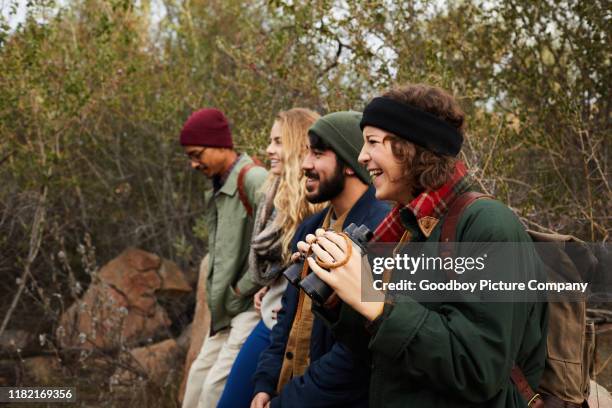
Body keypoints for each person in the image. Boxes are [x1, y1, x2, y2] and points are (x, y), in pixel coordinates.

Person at [301, 84, 548, 407]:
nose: (362, 157)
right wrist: (337, 293)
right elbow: (383, 354)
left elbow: (479, 370)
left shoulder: (489, 226)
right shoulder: (407, 227)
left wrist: (376, 301)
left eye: (373, 142)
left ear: (411, 148)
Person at [251, 111, 390, 408]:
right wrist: (266, 383)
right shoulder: (312, 228)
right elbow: (287, 318)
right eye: (305, 154)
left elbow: (355, 354)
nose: (305, 165)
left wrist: (288, 401)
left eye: (317, 154)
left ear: (350, 163)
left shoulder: (382, 232)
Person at [217, 108, 323, 408]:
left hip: (281, 322)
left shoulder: (313, 200)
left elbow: (305, 265)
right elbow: (285, 262)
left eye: (278, 141)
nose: (269, 150)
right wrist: (273, 281)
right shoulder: (277, 194)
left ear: (297, 145)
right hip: (272, 312)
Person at [180, 107, 268, 408]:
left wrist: (243, 288)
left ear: (219, 144)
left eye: (197, 154)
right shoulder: (219, 186)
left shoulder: (254, 179)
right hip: (225, 312)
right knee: (195, 386)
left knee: (214, 391)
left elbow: (279, 238)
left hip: (246, 306)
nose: (193, 164)